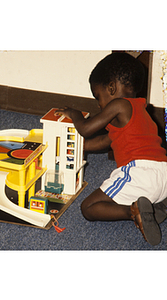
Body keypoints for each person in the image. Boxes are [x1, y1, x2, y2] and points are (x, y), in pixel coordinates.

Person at [55, 52, 167, 246]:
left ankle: (133, 211)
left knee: (88, 208)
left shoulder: (119, 105)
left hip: (139, 173)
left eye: (98, 97)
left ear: (112, 88)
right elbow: (104, 142)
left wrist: (74, 113)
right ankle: (157, 205)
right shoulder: (140, 112)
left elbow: (86, 129)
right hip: (163, 175)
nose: (99, 104)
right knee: (150, 189)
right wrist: (71, 148)